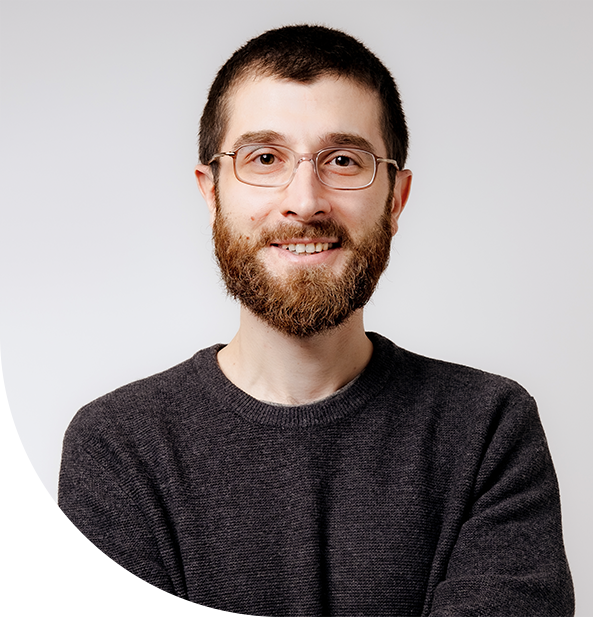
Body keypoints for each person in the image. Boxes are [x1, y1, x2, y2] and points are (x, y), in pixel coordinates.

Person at [58, 24, 574, 616]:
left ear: (396, 199)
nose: (304, 201)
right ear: (212, 193)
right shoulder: (119, 446)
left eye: (343, 160)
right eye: (264, 158)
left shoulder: (488, 429)